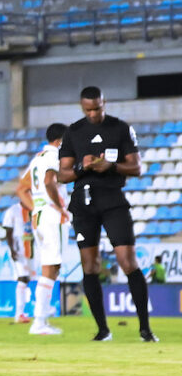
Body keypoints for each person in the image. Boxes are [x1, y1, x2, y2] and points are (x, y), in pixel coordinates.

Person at [58, 86, 157, 342]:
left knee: (128, 262)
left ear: (105, 103)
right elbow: (63, 174)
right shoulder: (73, 132)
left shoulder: (120, 128)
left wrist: (110, 166)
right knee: (90, 266)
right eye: (88, 109)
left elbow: (136, 167)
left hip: (113, 199)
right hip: (84, 203)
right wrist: (83, 166)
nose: (93, 113)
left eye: (97, 108)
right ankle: (103, 329)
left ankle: (145, 329)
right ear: (82, 107)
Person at [17, 124, 69, 335]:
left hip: (40, 215)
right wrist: (59, 206)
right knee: (51, 267)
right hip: (52, 216)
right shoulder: (54, 156)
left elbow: (21, 189)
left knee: (51, 268)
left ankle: (42, 320)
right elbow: (49, 181)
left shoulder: (37, 158)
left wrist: (35, 207)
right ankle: (39, 322)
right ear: (60, 141)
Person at [3, 198, 33, 325]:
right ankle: (19, 314)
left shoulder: (33, 209)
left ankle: (21, 313)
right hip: (18, 249)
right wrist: (12, 250)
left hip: (30, 249)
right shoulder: (13, 210)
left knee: (27, 279)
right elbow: (8, 232)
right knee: (22, 278)